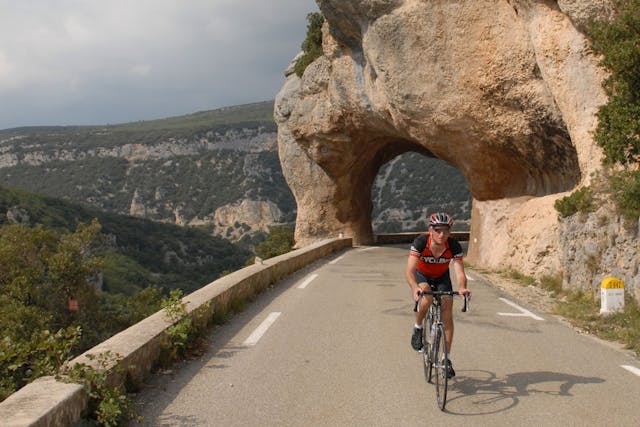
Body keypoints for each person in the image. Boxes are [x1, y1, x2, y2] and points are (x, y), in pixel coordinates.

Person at [406, 212, 470, 378]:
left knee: (447, 310)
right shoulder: (421, 242)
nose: (442, 235)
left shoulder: (453, 246)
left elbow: (460, 272)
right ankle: (418, 328)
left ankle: (445, 359)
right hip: (422, 275)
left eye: (446, 231)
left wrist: (462, 288)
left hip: (442, 277)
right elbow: (409, 271)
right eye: (438, 230)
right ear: (431, 230)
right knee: (426, 299)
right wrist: (414, 288)